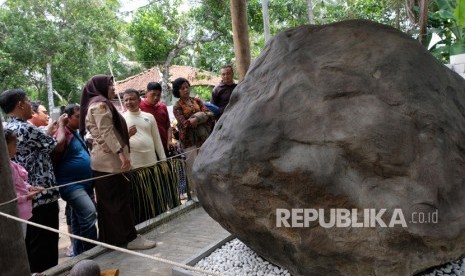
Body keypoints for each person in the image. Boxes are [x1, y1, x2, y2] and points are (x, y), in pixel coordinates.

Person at [80, 74, 156, 250]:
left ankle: (112, 239)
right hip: (111, 163)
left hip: (104, 162)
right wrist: (121, 154)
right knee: (119, 201)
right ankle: (129, 238)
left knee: (108, 203)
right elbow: (106, 132)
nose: (114, 88)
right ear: (99, 87)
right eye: (110, 85)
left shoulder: (97, 103)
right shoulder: (99, 105)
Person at [0, 88, 67, 273]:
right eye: (28, 101)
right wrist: (61, 125)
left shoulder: (7, 128)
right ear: (20, 105)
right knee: (45, 243)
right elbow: (57, 145)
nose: (31, 105)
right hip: (40, 194)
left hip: (24, 195)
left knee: (32, 243)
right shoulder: (26, 127)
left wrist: (47, 131)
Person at [54, 103, 97, 256]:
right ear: (67, 118)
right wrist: (60, 126)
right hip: (72, 185)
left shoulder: (76, 132)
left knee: (79, 221)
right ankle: (92, 252)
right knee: (89, 213)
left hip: (84, 184)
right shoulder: (62, 133)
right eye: (78, 117)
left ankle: (80, 255)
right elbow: (57, 150)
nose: (82, 119)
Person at [122, 89, 167, 223]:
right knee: (139, 198)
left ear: (139, 100)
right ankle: (142, 224)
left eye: (132, 99)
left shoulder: (149, 117)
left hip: (151, 163)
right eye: (126, 100)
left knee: (154, 194)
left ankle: (158, 220)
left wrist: (163, 159)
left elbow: (157, 140)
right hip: (134, 166)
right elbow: (119, 144)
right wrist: (127, 134)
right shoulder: (122, 119)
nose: (129, 102)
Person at [172, 78, 215, 199]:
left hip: (203, 138)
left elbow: (210, 114)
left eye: (187, 87)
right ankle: (197, 194)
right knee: (193, 167)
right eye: (182, 88)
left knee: (206, 164)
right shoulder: (177, 106)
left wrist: (198, 118)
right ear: (177, 91)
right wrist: (199, 118)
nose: (186, 90)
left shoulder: (197, 101)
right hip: (188, 141)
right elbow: (184, 124)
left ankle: (210, 191)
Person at [4, 128, 44, 237]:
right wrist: (26, 197)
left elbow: (19, 183)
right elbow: (8, 195)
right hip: (15, 214)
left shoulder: (10, 164)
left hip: (21, 213)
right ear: (4, 146)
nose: (16, 148)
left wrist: (30, 188)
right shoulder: (5, 168)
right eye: (14, 144)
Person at [139, 82, 176, 155]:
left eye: (158, 95)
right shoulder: (139, 107)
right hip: (148, 147)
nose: (156, 97)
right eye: (153, 94)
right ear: (146, 93)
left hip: (164, 144)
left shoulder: (162, 107)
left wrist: (169, 141)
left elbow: (168, 126)